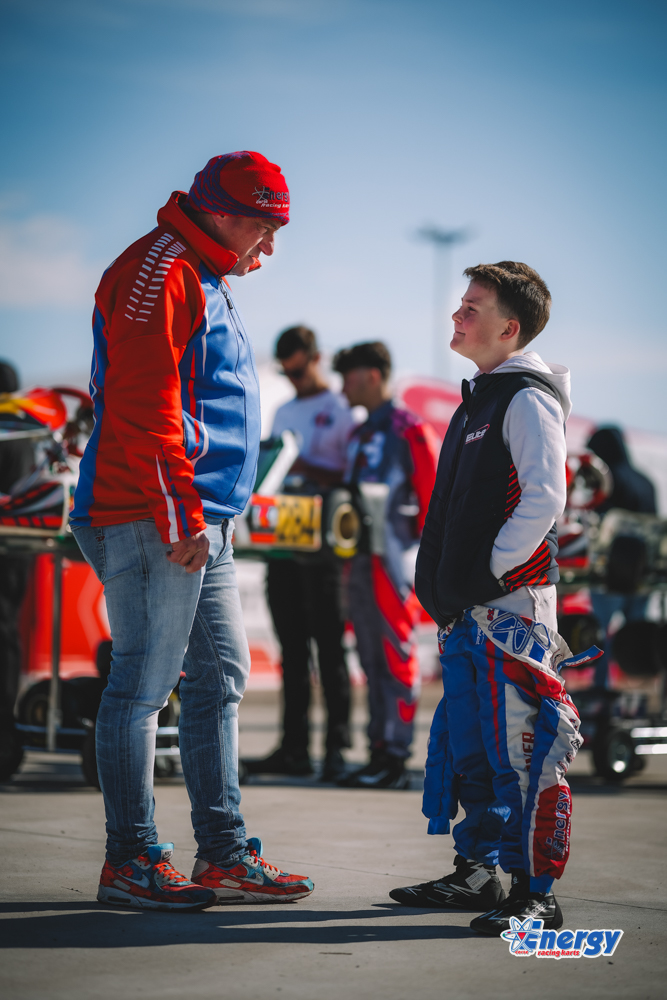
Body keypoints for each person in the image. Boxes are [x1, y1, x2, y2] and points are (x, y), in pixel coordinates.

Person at [70, 152, 314, 910]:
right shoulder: (165, 270)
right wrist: (180, 513)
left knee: (220, 679)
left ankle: (223, 854)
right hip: (155, 515)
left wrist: (204, 514)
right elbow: (144, 403)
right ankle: (130, 860)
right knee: (143, 688)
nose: (269, 247)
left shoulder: (201, 270)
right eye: (265, 229)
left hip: (196, 517)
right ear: (223, 213)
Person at [390, 262, 600, 934]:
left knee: (522, 753)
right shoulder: (478, 399)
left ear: (508, 328)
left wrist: (491, 572)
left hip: (509, 610)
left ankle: (536, 894)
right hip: (466, 613)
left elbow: (546, 497)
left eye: (471, 308)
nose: (456, 316)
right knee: (469, 752)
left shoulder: (526, 397)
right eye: (458, 305)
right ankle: (477, 873)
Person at [244, 326, 355, 782]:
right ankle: (294, 748)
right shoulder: (284, 409)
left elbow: (350, 474)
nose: (294, 379)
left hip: (324, 545)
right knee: (291, 650)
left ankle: (336, 749)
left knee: (329, 649)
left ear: (316, 358)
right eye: (287, 373)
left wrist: (303, 465)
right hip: (284, 541)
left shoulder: (341, 408)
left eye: (299, 370)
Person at [333, 342, 439, 789]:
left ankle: (395, 758)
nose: (343, 388)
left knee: (396, 655)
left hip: (393, 562)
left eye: (348, 378)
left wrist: (427, 561)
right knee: (370, 658)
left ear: (372, 376)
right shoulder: (359, 433)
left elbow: (435, 500)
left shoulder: (409, 428)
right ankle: (379, 751)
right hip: (356, 562)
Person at [587, 425, 658, 687]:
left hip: (611, 573)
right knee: (638, 636)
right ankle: (640, 689)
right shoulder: (645, 481)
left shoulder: (607, 480)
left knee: (599, 633)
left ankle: (600, 689)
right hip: (644, 573)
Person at [0, 362, 35, 768]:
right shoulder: (28, 425)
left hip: (8, 546)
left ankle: (5, 736)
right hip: (21, 548)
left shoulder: (8, 428)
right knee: (7, 634)